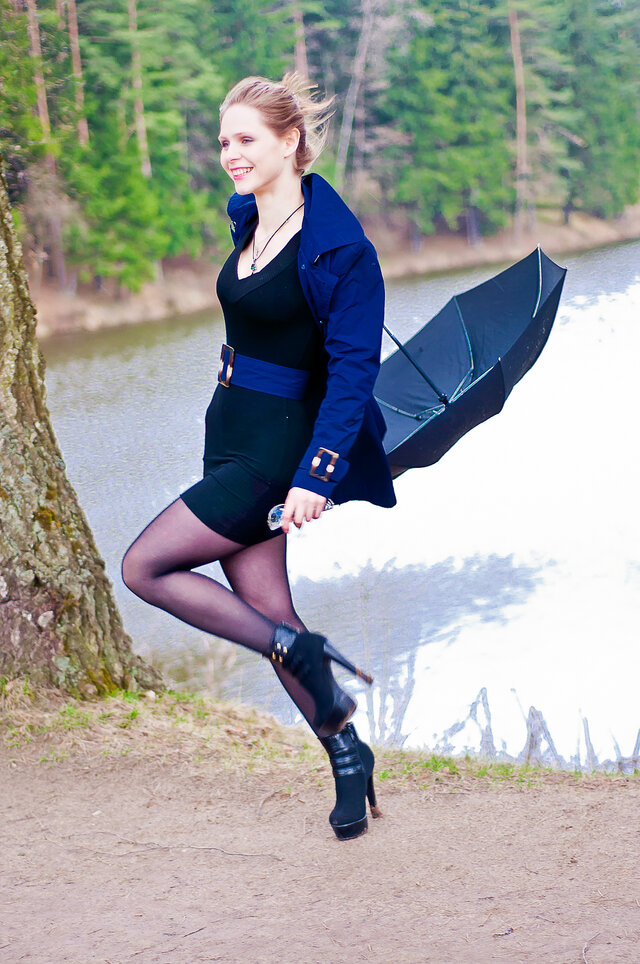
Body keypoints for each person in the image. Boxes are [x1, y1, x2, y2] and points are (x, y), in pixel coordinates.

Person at [121, 73, 395, 841]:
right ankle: (348, 757)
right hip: (229, 433)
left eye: (245, 140)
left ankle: (296, 650)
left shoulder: (340, 251)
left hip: (275, 452)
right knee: (269, 610)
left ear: (289, 141)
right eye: (223, 141)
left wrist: (317, 475)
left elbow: (352, 373)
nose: (230, 155)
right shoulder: (247, 218)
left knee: (144, 568)